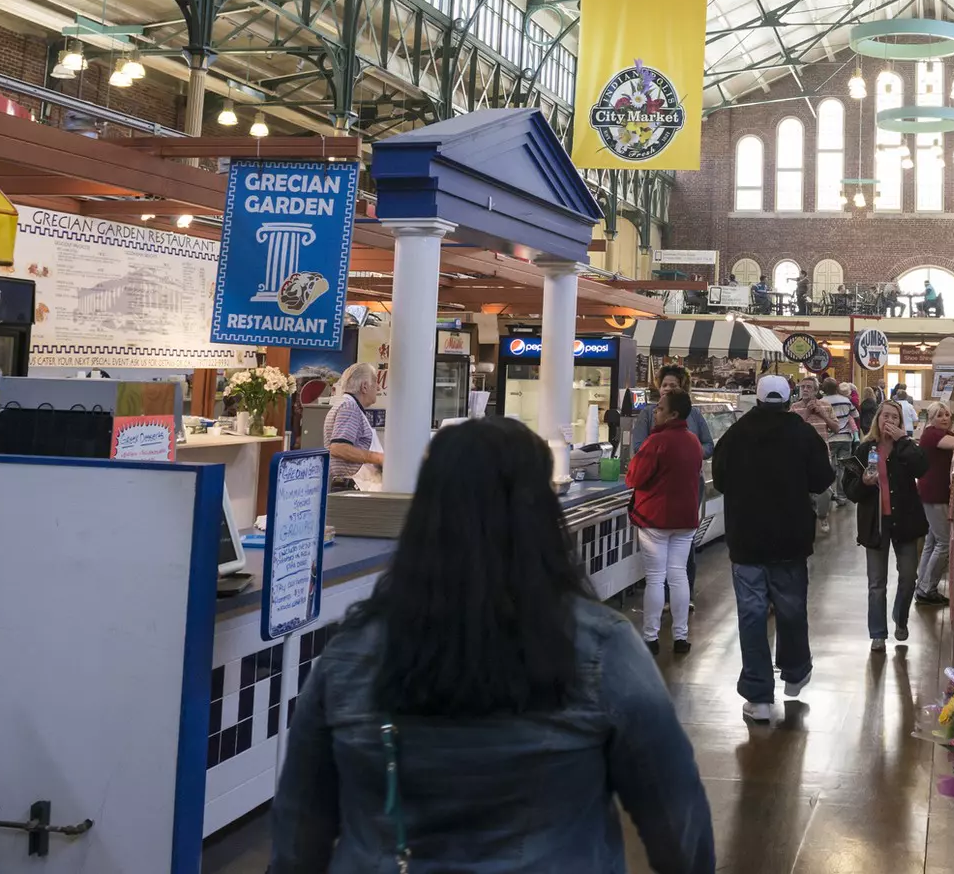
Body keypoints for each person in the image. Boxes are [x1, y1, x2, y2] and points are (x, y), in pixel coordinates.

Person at [269, 417, 713, 873]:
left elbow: (299, 828)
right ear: (541, 512)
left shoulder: (352, 652)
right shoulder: (601, 648)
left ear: (425, 509)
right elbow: (676, 818)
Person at [709, 373, 835, 723]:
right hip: (791, 540)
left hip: (746, 540)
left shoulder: (735, 435)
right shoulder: (801, 433)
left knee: (751, 617)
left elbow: (719, 480)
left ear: (759, 398)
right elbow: (823, 479)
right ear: (788, 397)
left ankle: (759, 696)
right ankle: (795, 675)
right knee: (791, 608)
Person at [841, 400, 930, 650]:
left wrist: (903, 440)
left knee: (909, 576)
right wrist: (863, 484)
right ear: (877, 420)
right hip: (875, 523)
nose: (889, 421)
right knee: (876, 582)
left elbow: (922, 468)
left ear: (901, 423)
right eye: (885, 416)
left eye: (894, 417)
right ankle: (877, 634)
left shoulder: (906, 447)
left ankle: (900, 618)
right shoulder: (864, 449)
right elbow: (850, 491)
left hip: (905, 521)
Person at [626, 391, 705, 656]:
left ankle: (651, 638)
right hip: (686, 518)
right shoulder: (693, 441)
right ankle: (681, 637)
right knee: (678, 575)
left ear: (673, 414)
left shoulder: (655, 441)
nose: (655, 412)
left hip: (655, 519)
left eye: (659, 409)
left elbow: (634, 478)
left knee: (656, 579)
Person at [912, 399, 954, 606]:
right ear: (931, 419)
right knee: (943, 542)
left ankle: (922, 582)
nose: (944, 418)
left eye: (946, 415)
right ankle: (926, 588)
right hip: (934, 492)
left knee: (933, 541)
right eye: (939, 416)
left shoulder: (940, 433)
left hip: (932, 491)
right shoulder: (933, 434)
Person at [325, 363, 383, 491]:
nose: (378, 388)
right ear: (364, 387)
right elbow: (339, 448)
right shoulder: (349, 407)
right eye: (375, 383)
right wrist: (379, 458)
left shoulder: (349, 406)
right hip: (352, 487)